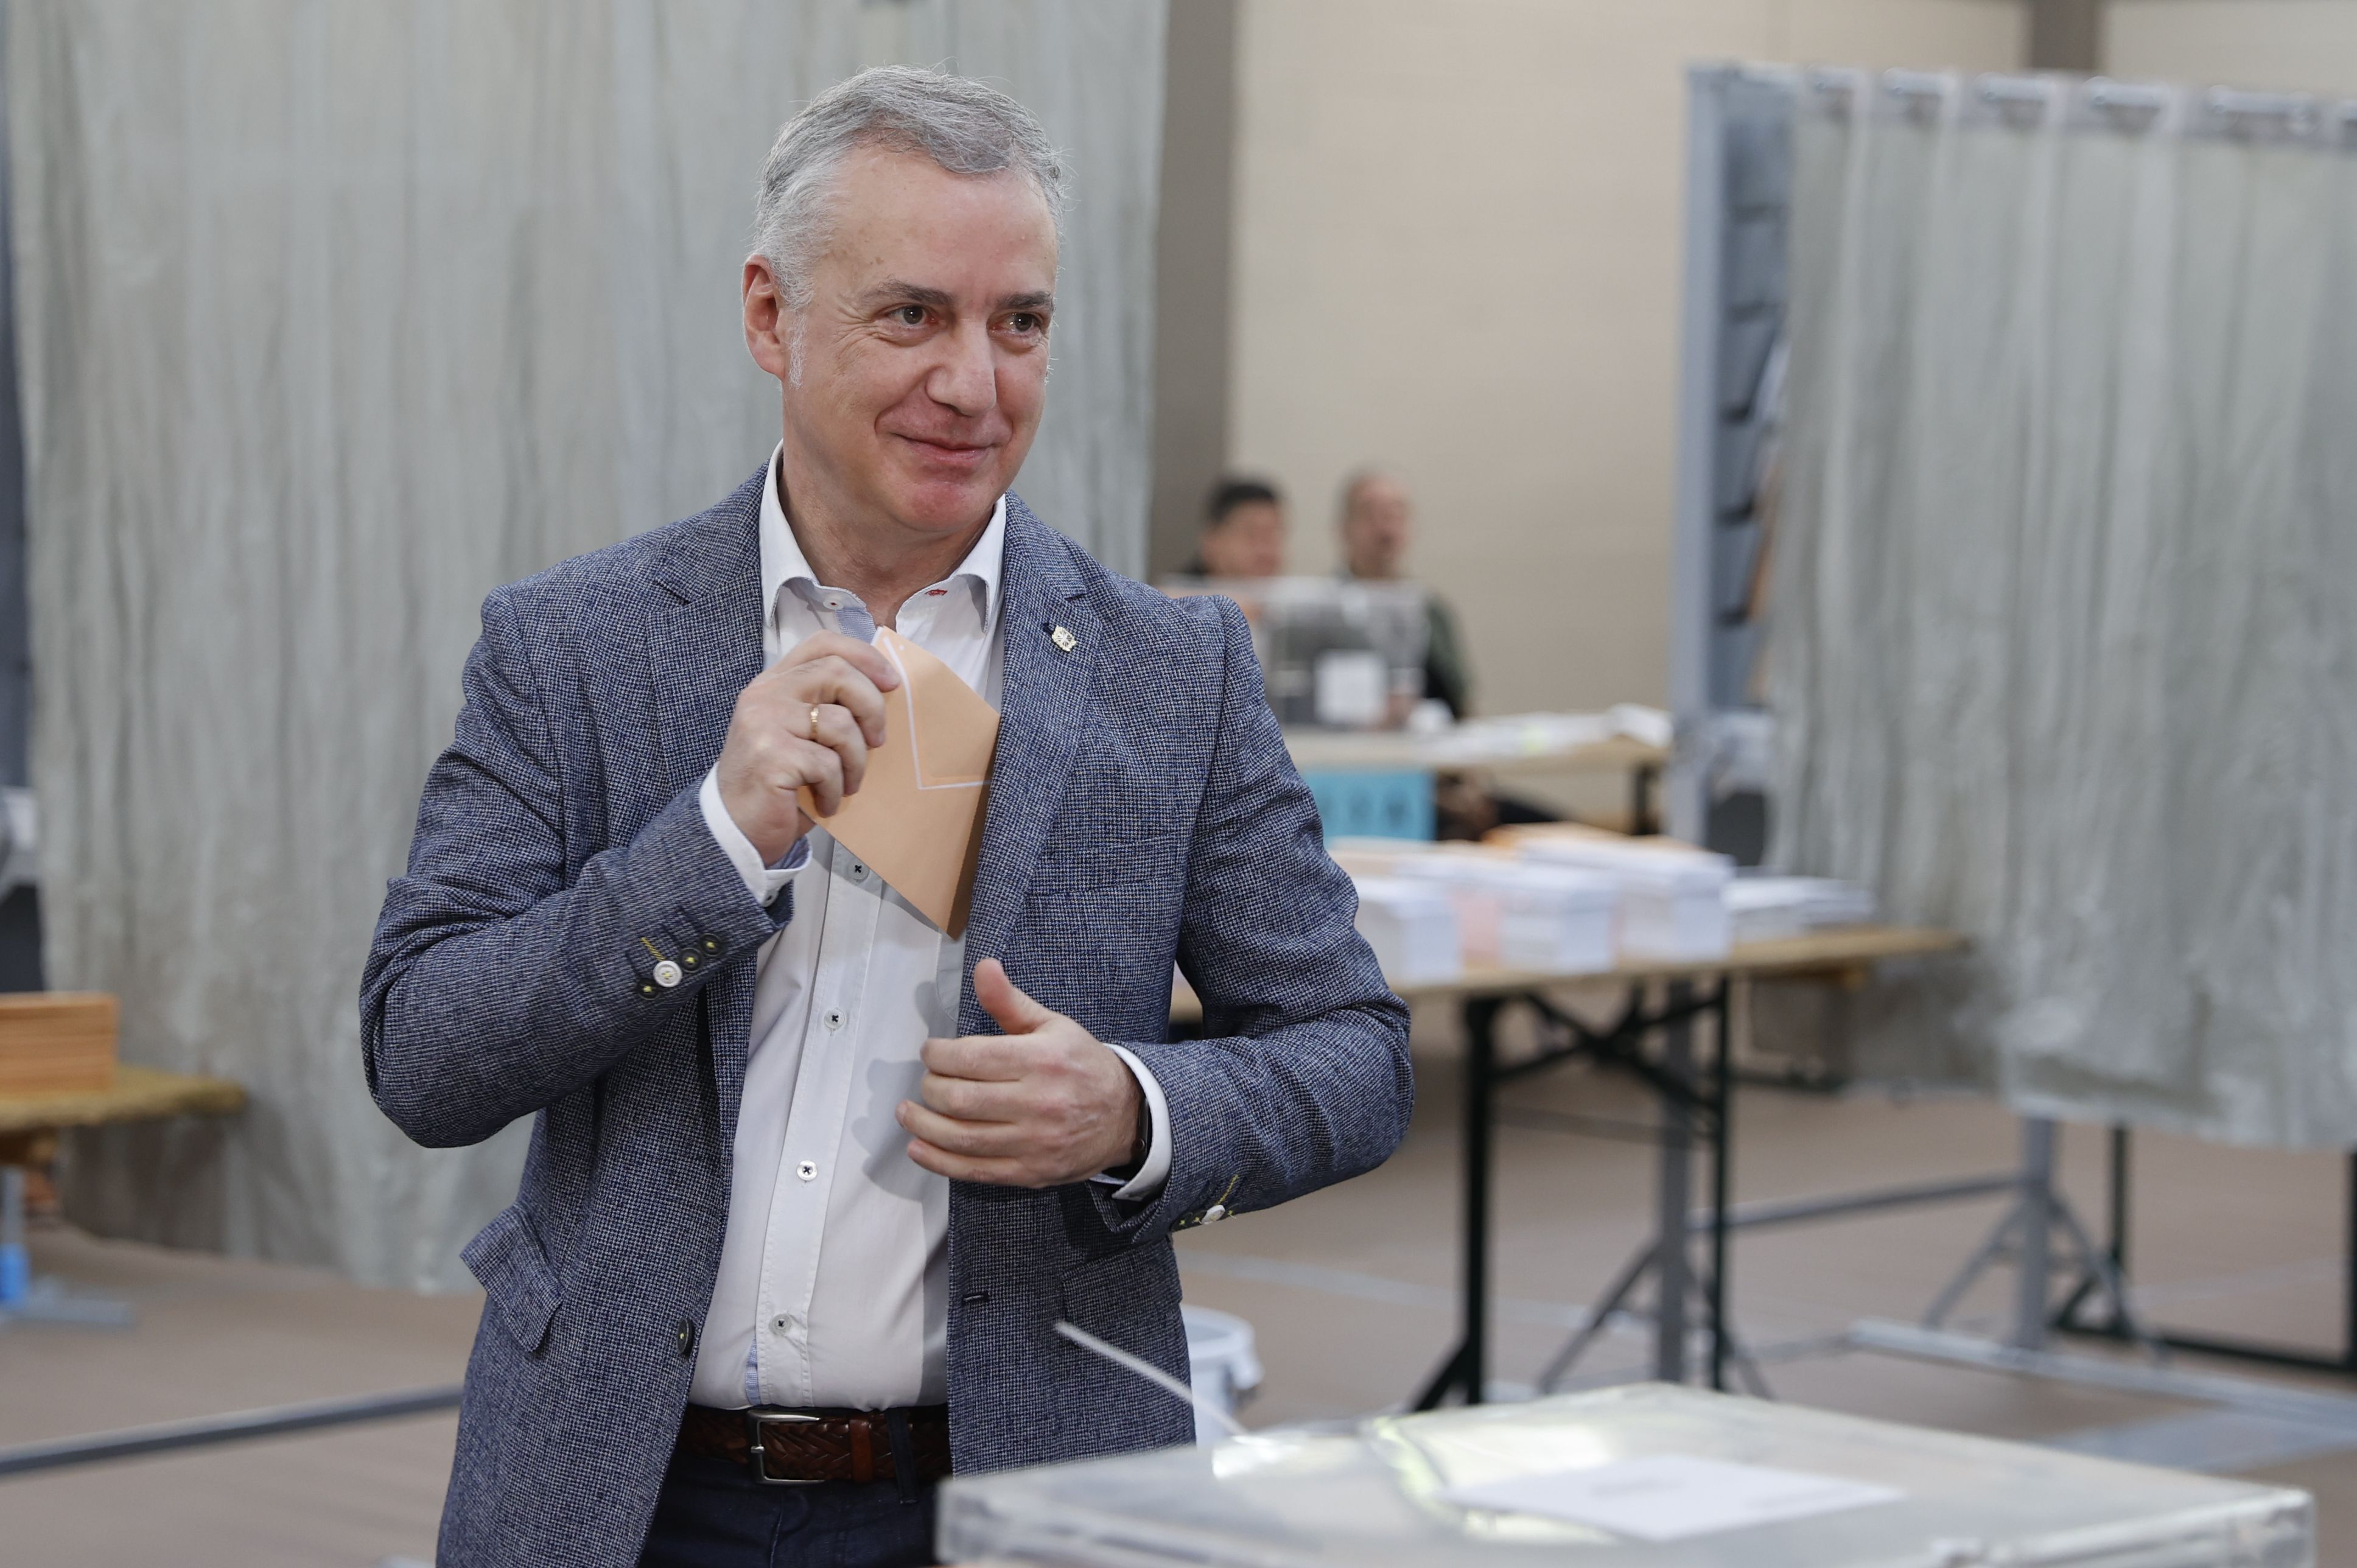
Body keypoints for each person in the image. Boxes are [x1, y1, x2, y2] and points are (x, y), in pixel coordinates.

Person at [361, 68, 1412, 1568]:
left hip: (1021, 1488)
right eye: (912, 314)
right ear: (771, 317)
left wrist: (1130, 1112)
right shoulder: (575, 646)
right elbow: (422, 1052)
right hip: (625, 1492)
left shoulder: (1170, 676)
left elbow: (1356, 1057)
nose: (976, 383)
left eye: (1021, 323)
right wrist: (714, 842)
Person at [1337, 469, 1471, 718]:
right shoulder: (1323, 612)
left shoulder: (1431, 611)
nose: (1385, 526)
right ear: (1345, 527)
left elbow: (1461, 706)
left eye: (1395, 513)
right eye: (1370, 513)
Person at [1188, 475, 1287, 579]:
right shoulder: (1177, 592)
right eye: (1251, 535)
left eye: (1272, 537)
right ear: (1212, 538)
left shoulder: (1284, 593)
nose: (1264, 551)